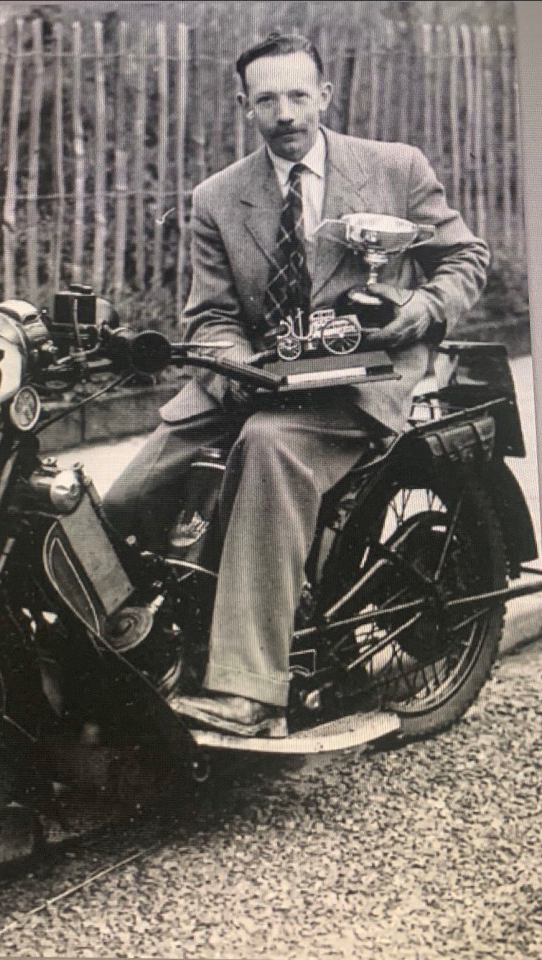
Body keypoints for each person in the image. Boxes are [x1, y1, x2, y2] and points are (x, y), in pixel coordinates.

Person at [103, 31, 490, 737]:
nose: (284, 113)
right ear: (244, 106)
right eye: (266, 100)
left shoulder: (393, 168)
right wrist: (235, 365)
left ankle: (246, 689)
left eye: (297, 95)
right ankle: (137, 661)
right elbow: (212, 315)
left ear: (324, 96)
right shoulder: (217, 198)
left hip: (357, 378)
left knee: (268, 452)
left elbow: (464, 256)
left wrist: (419, 311)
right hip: (247, 381)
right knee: (129, 497)